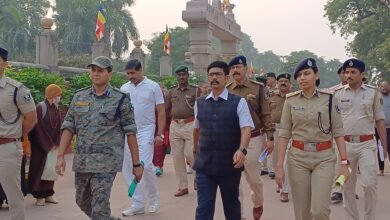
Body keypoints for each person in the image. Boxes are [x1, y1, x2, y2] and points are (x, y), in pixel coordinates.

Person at [55, 56, 143, 220]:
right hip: (82, 161)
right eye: (93, 70)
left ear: (109, 73)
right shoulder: (79, 97)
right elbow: (68, 127)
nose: (95, 74)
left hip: (106, 163)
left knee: (100, 206)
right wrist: (60, 156)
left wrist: (136, 164)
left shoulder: (120, 99)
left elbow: (130, 133)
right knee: (81, 201)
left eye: (100, 71)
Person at [276, 58, 350, 220]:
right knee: (302, 212)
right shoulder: (291, 100)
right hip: (297, 158)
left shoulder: (329, 99)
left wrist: (344, 162)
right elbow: (284, 134)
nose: (302, 77)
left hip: (323, 158)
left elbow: (338, 132)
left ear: (316, 75)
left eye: (307, 73)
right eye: (299, 75)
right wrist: (279, 166)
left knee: (319, 210)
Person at [193, 60, 254, 220]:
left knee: (232, 207)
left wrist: (242, 150)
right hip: (205, 166)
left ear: (227, 78)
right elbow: (196, 130)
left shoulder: (238, 102)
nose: (214, 78)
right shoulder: (200, 103)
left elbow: (246, 128)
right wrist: (195, 155)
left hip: (229, 165)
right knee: (203, 208)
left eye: (218, 74)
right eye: (211, 75)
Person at [335, 58, 388, 220]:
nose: (348, 75)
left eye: (353, 72)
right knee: (347, 186)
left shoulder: (373, 93)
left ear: (362, 74)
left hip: (367, 144)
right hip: (345, 145)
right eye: (346, 72)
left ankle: (369, 217)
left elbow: (379, 121)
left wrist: (384, 147)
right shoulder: (337, 93)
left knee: (369, 183)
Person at [226, 55, 275, 220]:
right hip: (233, 139)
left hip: (253, 140)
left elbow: (267, 114)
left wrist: (270, 137)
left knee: (254, 179)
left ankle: (258, 202)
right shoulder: (227, 90)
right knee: (234, 182)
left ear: (245, 68)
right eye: (232, 68)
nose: (235, 71)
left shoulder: (257, 88)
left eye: (238, 67)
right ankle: (238, 215)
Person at [120, 59, 166, 216]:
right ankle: (138, 203)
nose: (130, 76)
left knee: (144, 165)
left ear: (141, 70)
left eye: (133, 73)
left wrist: (160, 134)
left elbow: (161, 111)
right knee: (128, 167)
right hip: (128, 132)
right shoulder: (124, 88)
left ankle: (153, 199)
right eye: (128, 73)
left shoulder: (153, 87)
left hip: (146, 131)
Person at [0, 47, 38, 220]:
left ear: (5, 64)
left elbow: (31, 117)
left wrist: (17, 135)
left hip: (7, 148)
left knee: (13, 195)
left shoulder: (16, 89)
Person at [166, 65, 199, 196]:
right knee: (177, 157)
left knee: (191, 154)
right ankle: (182, 186)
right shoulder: (172, 91)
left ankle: (198, 178)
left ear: (187, 76)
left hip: (190, 124)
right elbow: (166, 108)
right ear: (176, 76)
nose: (181, 77)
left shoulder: (196, 91)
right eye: (179, 75)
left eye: (183, 75)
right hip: (175, 125)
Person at [28, 84, 62, 206]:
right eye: (58, 95)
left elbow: (59, 127)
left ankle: (48, 194)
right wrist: (48, 145)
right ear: (53, 95)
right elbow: (38, 128)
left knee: (50, 170)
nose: (60, 97)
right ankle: (39, 196)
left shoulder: (56, 108)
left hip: (52, 145)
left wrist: (57, 143)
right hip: (40, 146)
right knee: (40, 170)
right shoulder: (40, 107)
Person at [268, 73, 291, 203]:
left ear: (290, 84)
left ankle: (285, 190)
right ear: (277, 83)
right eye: (281, 81)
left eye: (286, 81)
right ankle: (280, 182)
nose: (283, 83)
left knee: (285, 160)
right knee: (276, 159)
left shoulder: (294, 97)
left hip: (290, 131)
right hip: (275, 129)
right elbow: (266, 115)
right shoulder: (271, 98)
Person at [153, 83, 170, 177]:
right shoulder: (150, 99)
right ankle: (155, 165)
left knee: (161, 146)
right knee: (152, 147)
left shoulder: (166, 100)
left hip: (164, 127)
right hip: (151, 126)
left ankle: (159, 165)